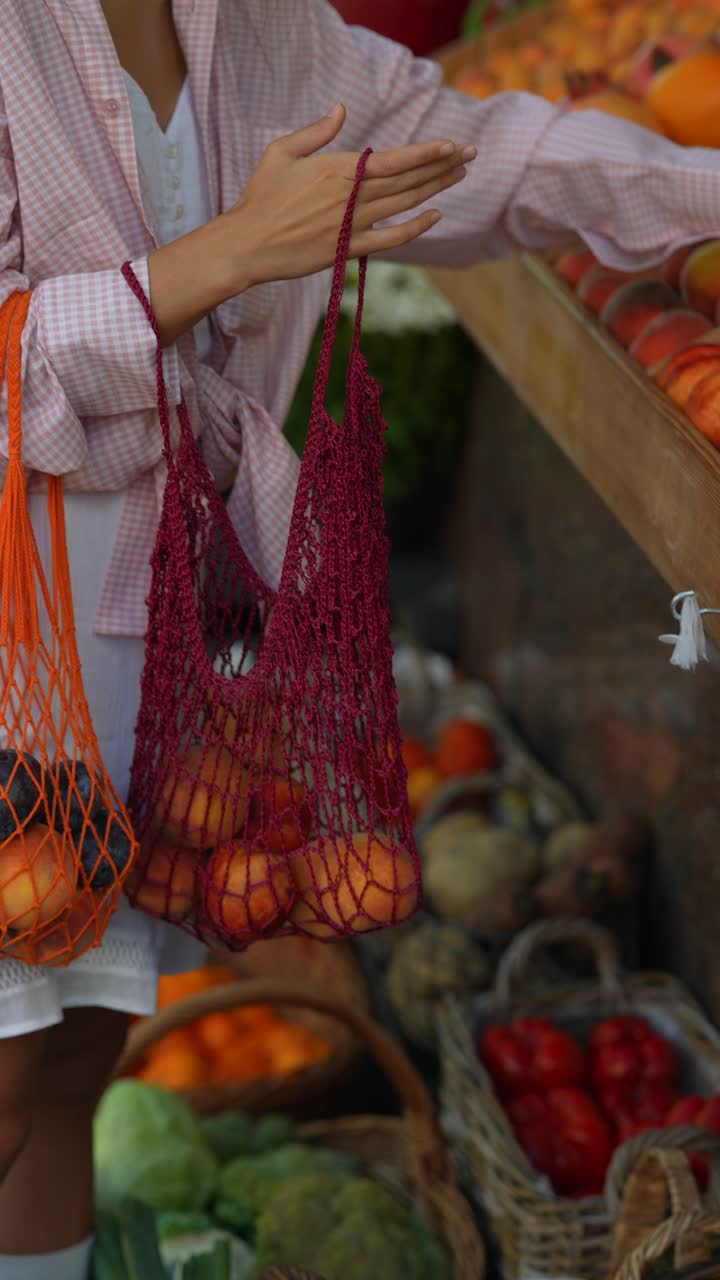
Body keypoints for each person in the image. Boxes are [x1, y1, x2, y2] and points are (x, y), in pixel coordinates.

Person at [0, 1, 718, 1274]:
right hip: (15, 632)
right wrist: (220, 258)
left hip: (150, 645)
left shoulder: (272, 37)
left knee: (72, 1063)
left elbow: (494, 156)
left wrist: (698, 187)